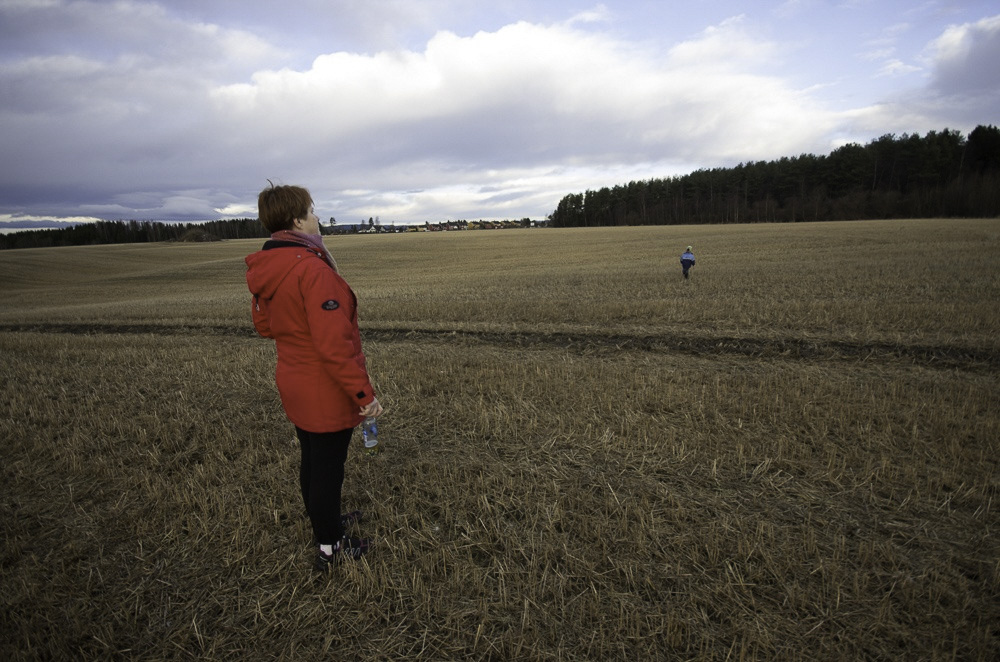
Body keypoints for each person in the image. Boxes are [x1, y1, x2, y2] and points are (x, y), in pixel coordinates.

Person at [245, 183, 383, 570]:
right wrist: (364, 396)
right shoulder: (311, 269)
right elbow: (333, 346)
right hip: (323, 389)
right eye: (312, 211)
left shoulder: (271, 265)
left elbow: (264, 326)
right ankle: (330, 546)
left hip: (294, 382)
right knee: (327, 470)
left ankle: (327, 524)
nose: (318, 217)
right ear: (297, 221)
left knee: (312, 461)